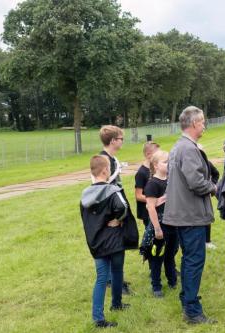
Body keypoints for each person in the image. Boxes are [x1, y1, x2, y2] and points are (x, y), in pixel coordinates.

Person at [162, 106, 217, 325]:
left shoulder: (179, 146)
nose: (204, 125)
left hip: (181, 213)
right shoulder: (188, 149)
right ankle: (192, 311)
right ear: (194, 123)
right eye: (202, 121)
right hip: (190, 214)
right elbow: (196, 183)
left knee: (188, 260)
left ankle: (187, 300)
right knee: (194, 260)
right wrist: (213, 187)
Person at [80, 155, 130, 328]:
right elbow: (123, 207)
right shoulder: (112, 191)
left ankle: (98, 318)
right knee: (117, 272)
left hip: (96, 242)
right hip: (114, 240)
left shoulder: (85, 195)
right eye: (109, 167)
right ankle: (116, 304)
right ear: (105, 171)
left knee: (101, 278)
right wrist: (119, 220)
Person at [99, 125, 138, 295]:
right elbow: (102, 186)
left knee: (119, 243)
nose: (123, 141)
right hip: (111, 209)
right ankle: (114, 281)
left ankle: (114, 278)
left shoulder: (111, 158)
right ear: (113, 141)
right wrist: (115, 215)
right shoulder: (104, 159)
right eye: (121, 138)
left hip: (117, 204)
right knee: (114, 245)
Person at [145, 150, 179, 298]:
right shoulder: (153, 183)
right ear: (156, 165)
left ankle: (172, 280)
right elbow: (150, 207)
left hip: (174, 223)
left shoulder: (172, 179)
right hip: (161, 225)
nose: (169, 164)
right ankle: (156, 285)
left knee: (171, 254)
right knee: (157, 257)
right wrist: (157, 229)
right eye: (165, 162)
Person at [135, 141, 160, 227]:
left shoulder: (156, 168)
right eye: (157, 154)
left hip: (158, 209)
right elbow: (138, 195)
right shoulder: (141, 173)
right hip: (148, 211)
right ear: (148, 154)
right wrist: (153, 200)